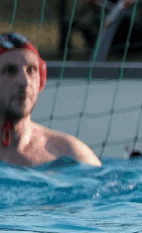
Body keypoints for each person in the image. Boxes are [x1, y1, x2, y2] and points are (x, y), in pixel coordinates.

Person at [0, 33, 102, 167]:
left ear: (41, 80)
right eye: (10, 70)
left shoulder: (70, 154)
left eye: (31, 70)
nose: (25, 82)